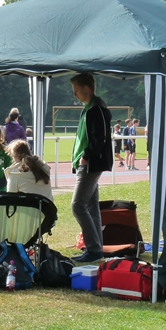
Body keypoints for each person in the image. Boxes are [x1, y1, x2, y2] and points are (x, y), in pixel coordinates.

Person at [69, 73, 113, 263]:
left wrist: (86, 156)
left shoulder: (96, 109)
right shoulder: (89, 109)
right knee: (91, 206)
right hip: (87, 163)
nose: (75, 95)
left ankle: (94, 249)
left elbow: (99, 138)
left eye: (76, 90)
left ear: (87, 88)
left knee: (77, 205)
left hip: (91, 164)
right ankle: (97, 249)